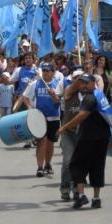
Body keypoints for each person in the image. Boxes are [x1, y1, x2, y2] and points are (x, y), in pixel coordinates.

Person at [56, 73, 112, 209]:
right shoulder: (100, 95)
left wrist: (64, 127)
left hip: (88, 138)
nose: (84, 85)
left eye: (87, 83)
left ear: (93, 83)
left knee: (76, 165)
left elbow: (82, 115)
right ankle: (96, 198)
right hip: (102, 137)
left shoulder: (90, 98)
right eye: (82, 83)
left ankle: (81, 196)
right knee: (97, 167)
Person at [23, 63, 60, 177]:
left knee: (50, 143)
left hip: (53, 117)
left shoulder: (58, 84)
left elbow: (58, 101)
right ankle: (40, 167)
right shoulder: (36, 83)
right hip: (40, 117)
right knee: (40, 142)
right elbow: (25, 96)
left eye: (48, 71)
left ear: (53, 72)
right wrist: (29, 107)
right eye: (44, 71)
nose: (45, 73)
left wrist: (54, 96)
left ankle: (48, 164)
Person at [54, 70, 83, 201]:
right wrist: (86, 73)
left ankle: (78, 189)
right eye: (76, 78)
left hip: (82, 134)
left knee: (80, 162)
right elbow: (76, 85)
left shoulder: (88, 93)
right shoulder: (68, 91)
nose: (80, 81)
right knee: (67, 161)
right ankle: (65, 188)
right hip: (68, 133)